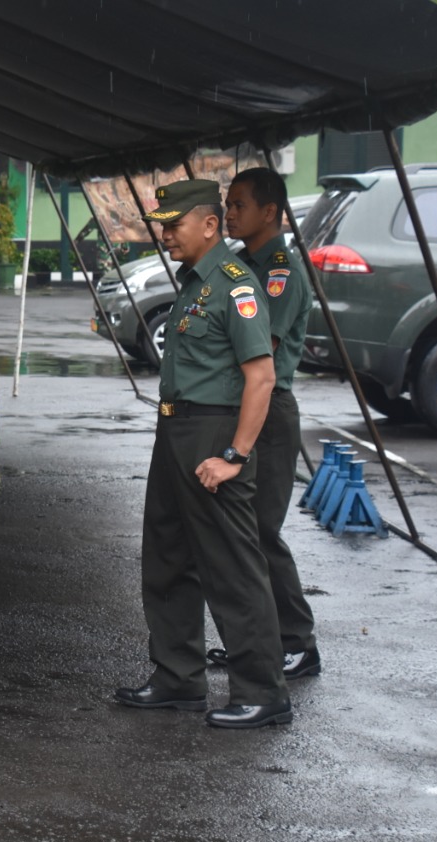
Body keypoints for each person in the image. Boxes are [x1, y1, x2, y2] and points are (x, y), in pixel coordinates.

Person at [114, 179, 292, 729]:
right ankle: (178, 677)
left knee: (233, 567)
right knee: (166, 556)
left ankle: (263, 691)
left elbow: (261, 377)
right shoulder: (196, 282)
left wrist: (235, 454)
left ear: (209, 225)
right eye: (163, 226)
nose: (166, 235)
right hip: (176, 429)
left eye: (175, 225)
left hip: (215, 432)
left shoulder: (236, 284)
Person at [212, 167, 321, 679]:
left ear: (270, 212)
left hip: (269, 411)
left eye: (239, 204)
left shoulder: (281, 272)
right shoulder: (240, 263)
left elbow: (261, 351)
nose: (229, 213)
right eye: (227, 204)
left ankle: (297, 642)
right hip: (238, 406)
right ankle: (251, 642)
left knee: (260, 530)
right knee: (234, 532)